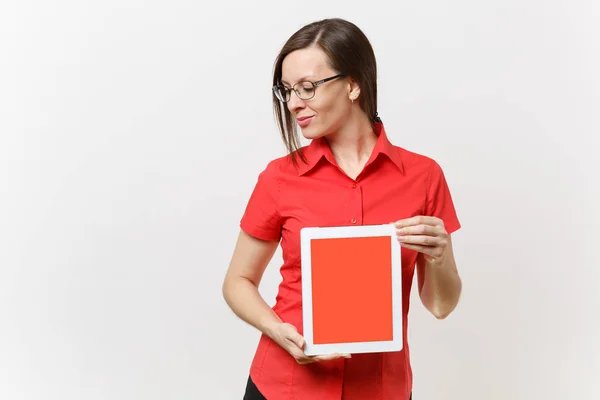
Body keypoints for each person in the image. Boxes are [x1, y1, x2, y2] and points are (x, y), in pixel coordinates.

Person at [222, 17, 462, 400]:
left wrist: (440, 255)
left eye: (307, 87)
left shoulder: (423, 176)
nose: (294, 103)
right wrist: (276, 330)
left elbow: (440, 305)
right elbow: (237, 281)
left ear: (353, 85)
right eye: (287, 90)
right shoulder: (279, 177)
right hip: (285, 387)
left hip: (380, 390)